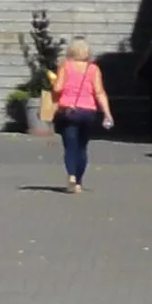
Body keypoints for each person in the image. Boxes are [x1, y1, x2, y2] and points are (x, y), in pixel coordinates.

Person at [47, 39, 112, 192]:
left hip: (69, 111)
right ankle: (79, 182)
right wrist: (107, 114)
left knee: (70, 146)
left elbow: (58, 88)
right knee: (82, 147)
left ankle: (71, 175)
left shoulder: (66, 66)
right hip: (88, 112)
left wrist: (53, 83)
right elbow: (99, 92)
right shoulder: (93, 69)